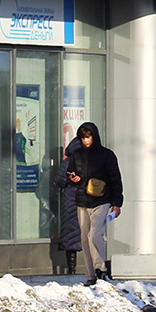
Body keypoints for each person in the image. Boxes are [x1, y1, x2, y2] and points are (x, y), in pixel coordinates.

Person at [65, 122, 123, 286]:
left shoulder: (107, 155)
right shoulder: (76, 155)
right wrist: (72, 178)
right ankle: (91, 276)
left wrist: (116, 203)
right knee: (85, 238)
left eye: (88, 136)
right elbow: (69, 174)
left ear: (94, 136)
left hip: (102, 200)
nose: (86, 140)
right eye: (83, 137)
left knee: (95, 234)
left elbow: (115, 179)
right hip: (82, 200)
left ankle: (100, 269)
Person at [57, 133, 84, 275]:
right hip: (74, 200)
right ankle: (73, 268)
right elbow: (59, 181)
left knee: (74, 236)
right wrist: (70, 180)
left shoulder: (68, 161)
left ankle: (72, 269)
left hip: (76, 200)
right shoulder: (69, 162)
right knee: (73, 236)